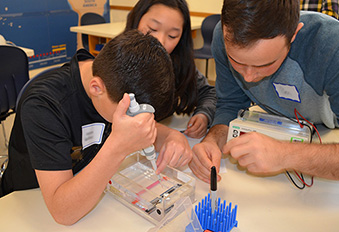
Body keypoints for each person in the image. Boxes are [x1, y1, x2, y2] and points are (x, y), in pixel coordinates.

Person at [0, 30, 177, 225]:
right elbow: (63, 213)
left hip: (88, 188)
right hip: (29, 202)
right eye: (129, 114)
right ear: (96, 88)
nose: (135, 120)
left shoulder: (113, 82)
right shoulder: (44, 104)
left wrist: (171, 136)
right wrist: (117, 147)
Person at [190, 0, 339, 183]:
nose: (249, 77)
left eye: (265, 64)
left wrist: (285, 155)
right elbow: (230, 103)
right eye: (237, 62)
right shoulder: (222, 35)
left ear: (294, 35)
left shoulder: (330, 44)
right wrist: (213, 139)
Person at [125, 0, 216, 173]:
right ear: (136, 20)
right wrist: (165, 135)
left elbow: (208, 92)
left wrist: (204, 114)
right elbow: (117, 118)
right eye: (152, 29)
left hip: (159, 156)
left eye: (172, 36)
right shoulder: (117, 62)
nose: (160, 41)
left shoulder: (176, 62)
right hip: (125, 158)